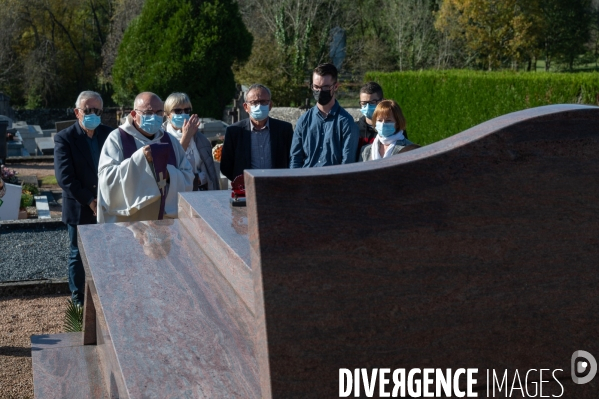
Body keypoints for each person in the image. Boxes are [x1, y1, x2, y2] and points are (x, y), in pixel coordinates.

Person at [54, 90, 113, 306]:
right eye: (88, 110)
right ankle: (78, 299)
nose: (93, 114)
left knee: (107, 252)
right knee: (77, 256)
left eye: (97, 110)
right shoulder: (65, 138)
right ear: (77, 112)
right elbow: (65, 177)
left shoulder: (109, 134)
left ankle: (105, 292)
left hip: (108, 205)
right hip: (80, 207)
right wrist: (90, 200)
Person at [97, 92, 194, 223]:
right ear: (133, 114)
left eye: (159, 112)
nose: (154, 117)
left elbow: (188, 176)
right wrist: (141, 159)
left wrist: (168, 174)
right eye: (148, 113)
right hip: (130, 222)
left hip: (165, 221)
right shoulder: (117, 138)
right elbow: (107, 180)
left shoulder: (170, 140)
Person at [290, 63, 359, 168]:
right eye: (316, 87)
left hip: (333, 181)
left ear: (335, 86)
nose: (320, 91)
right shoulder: (304, 121)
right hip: (306, 180)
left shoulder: (346, 122)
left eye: (325, 87)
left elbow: (347, 163)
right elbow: (295, 159)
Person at [220, 84, 294, 181]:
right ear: (246, 107)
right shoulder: (234, 131)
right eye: (254, 102)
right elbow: (226, 166)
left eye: (263, 102)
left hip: (277, 187)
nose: (259, 106)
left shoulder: (284, 129)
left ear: (270, 105)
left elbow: (293, 159)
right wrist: (241, 183)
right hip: (247, 190)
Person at [163, 93, 219, 190]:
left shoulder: (200, 139)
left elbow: (208, 172)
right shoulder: (162, 137)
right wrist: (186, 137)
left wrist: (198, 179)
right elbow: (169, 167)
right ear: (168, 115)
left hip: (198, 193)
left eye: (186, 110)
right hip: (172, 196)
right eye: (178, 111)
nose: (183, 114)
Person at [357, 82, 384, 155]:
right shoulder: (354, 128)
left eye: (372, 102)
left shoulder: (392, 127)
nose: (368, 107)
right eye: (364, 103)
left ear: (382, 101)